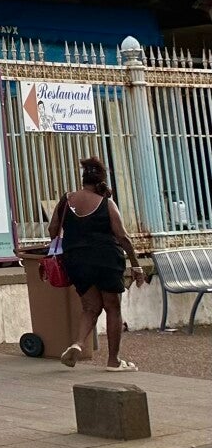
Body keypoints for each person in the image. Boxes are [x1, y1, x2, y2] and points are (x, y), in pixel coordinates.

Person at [48, 156, 149, 370]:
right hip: (106, 260)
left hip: (76, 260)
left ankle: (77, 343)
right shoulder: (106, 204)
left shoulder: (66, 200)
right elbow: (122, 236)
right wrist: (135, 264)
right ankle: (113, 361)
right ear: (102, 181)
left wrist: (68, 244)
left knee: (90, 307)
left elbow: (53, 229)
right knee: (113, 308)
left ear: (83, 179)